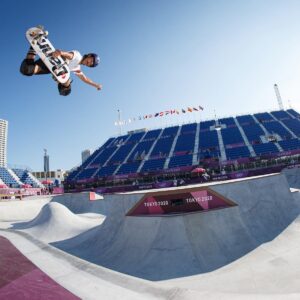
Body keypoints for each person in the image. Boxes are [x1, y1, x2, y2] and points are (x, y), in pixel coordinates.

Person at [20, 45, 102, 96]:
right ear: (89, 55)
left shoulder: (77, 68)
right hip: (54, 58)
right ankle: (63, 78)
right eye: (91, 60)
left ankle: (33, 47)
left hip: (50, 69)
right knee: (66, 83)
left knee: (26, 69)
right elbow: (70, 55)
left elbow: (85, 79)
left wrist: (96, 85)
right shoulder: (78, 55)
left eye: (91, 64)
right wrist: (61, 53)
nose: (89, 63)